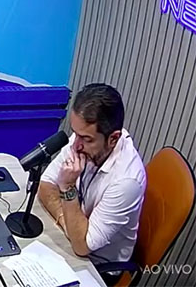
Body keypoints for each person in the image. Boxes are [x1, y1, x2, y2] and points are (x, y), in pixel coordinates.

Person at [38, 83, 146, 285]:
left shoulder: (126, 181)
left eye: (86, 139)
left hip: (98, 267)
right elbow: (45, 185)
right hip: (69, 240)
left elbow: (82, 246)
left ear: (113, 139)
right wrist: (66, 221)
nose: (76, 145)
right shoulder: (84, 138)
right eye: (75, 133)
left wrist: (67, 187)